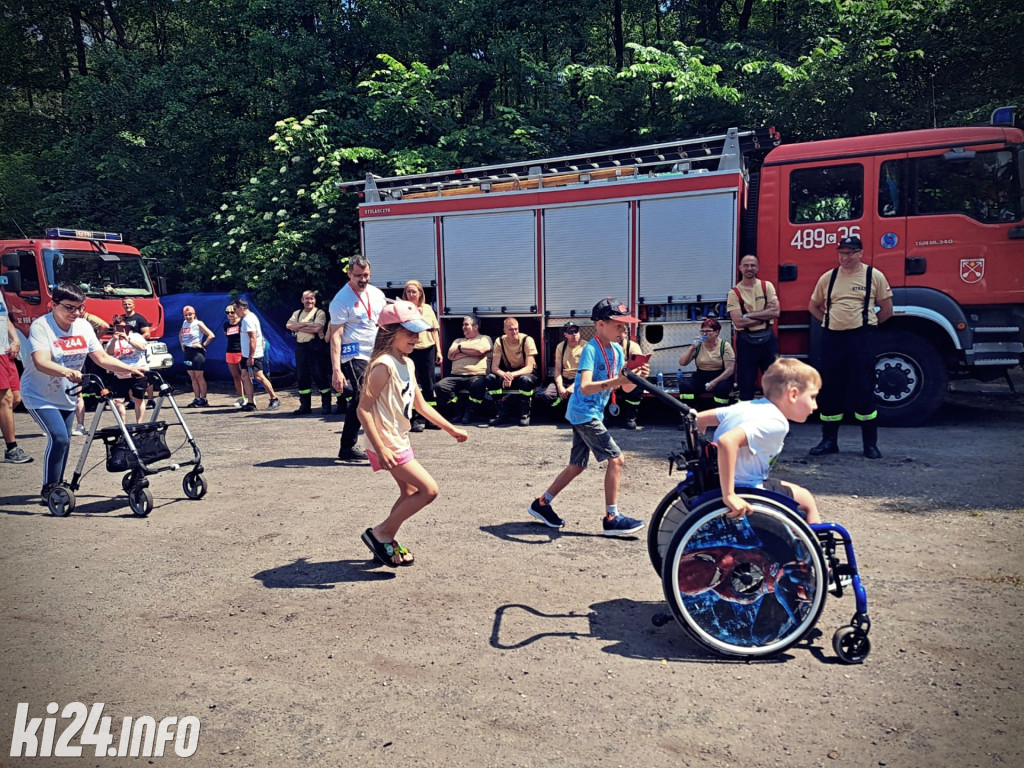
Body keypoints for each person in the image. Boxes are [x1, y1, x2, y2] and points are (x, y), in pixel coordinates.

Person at [357, 300, 468, 567]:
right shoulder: (383, 365)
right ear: (389, 332)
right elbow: (363, 410)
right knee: (429, 490)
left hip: (398, 438)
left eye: (417, 333)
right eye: (409, 332)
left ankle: (384, 538)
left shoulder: (407, 363)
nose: (415, 338)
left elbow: (419, 404)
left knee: (409, 492)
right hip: (385, 442)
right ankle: (381, 533)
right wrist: (381, 448)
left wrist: (450, 429)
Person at [527, 298, 649, 536]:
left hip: (587, 414)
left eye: (625, 326)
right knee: (616, 459)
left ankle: (541, 503)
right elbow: (584, 386)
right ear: (601, 324)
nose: (624, 330)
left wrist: (636, 377)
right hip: (584, 414)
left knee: (576, 466)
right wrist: (619, 380)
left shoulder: (616, 350)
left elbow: (623, 389)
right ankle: (611, 517)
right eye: (619, 325)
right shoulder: (591, 350)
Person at [20, 283, 146, 498]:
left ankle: (58, 486)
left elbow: (102, 358)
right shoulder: (42, 326)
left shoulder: (83, 327)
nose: (76, 313)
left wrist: (131, 369)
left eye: (80, 308)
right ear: (53, 305)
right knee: (59, 438)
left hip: (67, 393)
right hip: (39, 394)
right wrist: (66, 371)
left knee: (66, 440)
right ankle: (49, 487)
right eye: (70, 308)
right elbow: (40, 362)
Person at [694, 357, 823, 524]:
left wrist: (699, 458)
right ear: (793, 394)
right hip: (746, 488)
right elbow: (727, 442)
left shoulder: (746, 406)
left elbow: (697, 420)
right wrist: (729, 495)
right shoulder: (776, 423)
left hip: (716, 481)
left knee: (790, 489)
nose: (815, 406)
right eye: (812, 397)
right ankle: (814, 545)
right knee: (806, 500)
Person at [807, 236, 893, 459]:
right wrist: (828, 320)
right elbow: (813, 305)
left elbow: (886, 310)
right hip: (832, 339)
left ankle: (870, 444)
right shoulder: (829, 277)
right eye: (841, 253)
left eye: (850, 253)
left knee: (863, 389)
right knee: (831, 390)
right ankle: (828, 441)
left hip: (861, 339)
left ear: (860, 253)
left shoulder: (873, 276)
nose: (844, 257)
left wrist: (868, 325)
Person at [328, 255, 387, 461]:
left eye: (366, 275)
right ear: (349, 274)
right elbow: (335, 336)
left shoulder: (377, 294)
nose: (363, 280)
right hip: (354, 355)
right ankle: (377, 448)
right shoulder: (341, 300)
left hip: (377, 353)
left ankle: (347, 447)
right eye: (358, 276)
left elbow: (382, 323)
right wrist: (336, 370)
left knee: (362, 399)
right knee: (366, 395)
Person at [727, 254, 780, 400]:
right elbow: (738, 322)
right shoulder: (734, 293)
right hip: (746, 342)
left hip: (768, 340)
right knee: (746, 385)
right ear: (739, 268)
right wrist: (764, 316)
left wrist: (749, 315)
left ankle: (774, 418)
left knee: (774, 382)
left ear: (758, 267)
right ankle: (747, 419)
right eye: (746, 265)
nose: (749, 268)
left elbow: (776, 312)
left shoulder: (766, 286)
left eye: (752, 265)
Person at [434, 315, 493, 425]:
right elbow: (450, 356)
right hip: (456, 375)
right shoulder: (457, 340)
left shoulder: (484, 338)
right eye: (463, 324)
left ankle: (470, 412)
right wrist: (473, 353)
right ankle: (458, 409)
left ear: (475, 327)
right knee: (440, 386)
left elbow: (481, 350)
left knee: (478, 385)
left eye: (466, 324)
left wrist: (460, 349)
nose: (463, 327)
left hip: (476, 375)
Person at [403, 279, 442, 432]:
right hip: (410, 351)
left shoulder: (427, 309)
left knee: (429, 385)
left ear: (420, 293)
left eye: (414, 291)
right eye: (408, 291)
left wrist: (438, 351)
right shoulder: (403, 308)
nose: (411, 294)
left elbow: (434, 331)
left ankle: (431, 419)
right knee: (411, 385)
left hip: (427, 349)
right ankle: (413, 419)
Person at [485, 317, 539, 427]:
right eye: (510, 329)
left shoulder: (527, 340)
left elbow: (529, 367)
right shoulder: (499, 341)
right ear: (504, 330)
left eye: (516, 329)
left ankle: (525, 413)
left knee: (525, 380)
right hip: (510, 372)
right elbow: (494, 367)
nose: (514, 332)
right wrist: (504, 375)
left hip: (526, 373)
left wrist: (510, 376)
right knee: (490, 378)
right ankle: (501, 413)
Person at [286, 290, 331, 415]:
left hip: (315, 348)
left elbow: (317, 328)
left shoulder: (319, 312)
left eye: (311, 298)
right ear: (302, 300)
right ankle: (305, 406)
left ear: (315, 300)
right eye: (306, 299)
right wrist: (307, 325)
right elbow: (289, 325)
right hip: (301, 348)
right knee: (302, 377)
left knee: (319, 376)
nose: (309, 301)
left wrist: (298, 326)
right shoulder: (297, 313)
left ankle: (326, 405)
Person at [232, 299, 281, 412]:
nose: (234, 312)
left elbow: (253, 339)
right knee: (244, 376)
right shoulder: (247, 318)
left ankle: (274, 398)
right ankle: (250, 403)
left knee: (259, 376)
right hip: (246, 354)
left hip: (253, 354)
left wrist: (251, 356)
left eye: (235, 309)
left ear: (242, 308)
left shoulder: (248, 320)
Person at [1, 287, 32, 464]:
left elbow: (5, 318)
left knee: (16, 398)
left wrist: (16, 339)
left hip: (6, 352)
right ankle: (11, 449)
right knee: (5, 400)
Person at [677, 316, 735, 407]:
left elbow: (730, 370)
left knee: (722, 389)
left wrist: (714, 382)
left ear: (717, 332)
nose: (704, 334)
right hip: (701, 375)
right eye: (702, 331)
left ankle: (720, 415)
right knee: (685, 386)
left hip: (720, 376)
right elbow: (682, 363)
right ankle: (690, 413)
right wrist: (692, 347)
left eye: (708, 331)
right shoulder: (699, 345)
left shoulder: (725, 345)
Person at [105, 314, 149, 422]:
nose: (121, 329)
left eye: (123, 327)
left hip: (137, 371)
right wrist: (115, 340)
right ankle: (123, 423)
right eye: (118, 327)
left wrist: (128, 339)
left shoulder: (136, 336)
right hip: (120, 374)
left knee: (138, 399)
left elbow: (142, 347)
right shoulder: (113, 340)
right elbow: (108, 353)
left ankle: (139, 422)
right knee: (117, 400)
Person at [540, 321, 585, 407]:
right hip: (564, 379)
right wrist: (560, 387)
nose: (574, 334)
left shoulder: (587, 347)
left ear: (579, 332)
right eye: (570, 332)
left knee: (576, 395)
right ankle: (559, 411)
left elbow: (587, 373)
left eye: (576, 331)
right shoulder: (561, 347)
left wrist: (572, 387)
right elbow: (557, 369)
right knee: (547, 395)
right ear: (565, 335)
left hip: (579, 380)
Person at [179, 305, 215, 407]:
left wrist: (203, 344)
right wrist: (182, 344)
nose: (188, 317)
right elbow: (180, 334)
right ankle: (196, 397)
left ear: (194, 314)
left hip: (197, 352)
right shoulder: (185, 323)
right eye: (186, 315)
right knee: (192, 377)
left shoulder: (198, 323)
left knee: (199, 377)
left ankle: (203, 399)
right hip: (188, 352)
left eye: (190, 314)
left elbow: (211, 335)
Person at [614, 323, 644, 430]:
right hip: (611, 379)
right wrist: (613, 381)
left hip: (627, 379)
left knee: (637, 388)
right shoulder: (606, 346)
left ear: (625, 333)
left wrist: (621, 381)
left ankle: (630, 418)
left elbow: (638, 368)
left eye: (619, 332)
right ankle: (605, 417)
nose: (616, 335)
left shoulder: (633, 346)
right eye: (614, 331)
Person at [222, 304, 245, 407]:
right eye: (227, 313)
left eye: (232, 312)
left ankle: (250, 397)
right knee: (236, 377)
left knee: (245, 376)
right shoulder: (226, 325)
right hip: (230, 352)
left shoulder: (242, 323)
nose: (230, 314)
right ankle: (241, 397)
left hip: (241, 351)